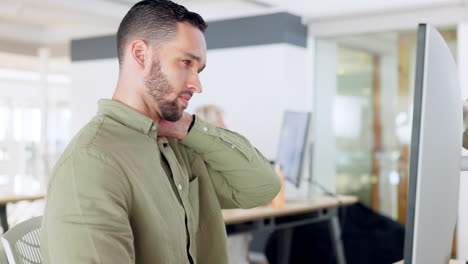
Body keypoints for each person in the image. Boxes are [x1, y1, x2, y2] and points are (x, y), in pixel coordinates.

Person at [40, 1, 281, 264]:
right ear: (141, 55)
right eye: (185, 62)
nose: (197, 85)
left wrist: (190, 127)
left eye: (198, 70)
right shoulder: (90, 163)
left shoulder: (179, 144)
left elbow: (262, 187)